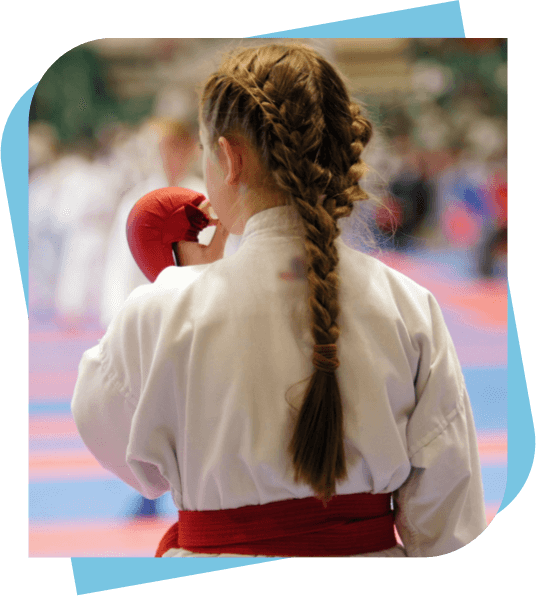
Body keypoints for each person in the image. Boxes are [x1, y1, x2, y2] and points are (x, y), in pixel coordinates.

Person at [71, 42, 487, 558]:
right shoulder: (409, 306)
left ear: (227, 158)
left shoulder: (162, 308)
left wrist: (186, 289)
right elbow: (449, 520)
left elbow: (129, 457)